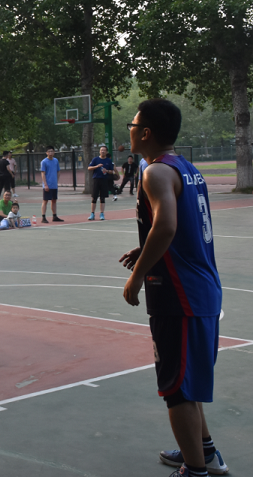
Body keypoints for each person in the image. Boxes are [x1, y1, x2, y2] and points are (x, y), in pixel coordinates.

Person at [119, 99, 227, 477]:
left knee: (176, 389)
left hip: (179, 295)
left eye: (133, 124)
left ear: (146, 132)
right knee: (188, 381)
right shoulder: (186, 168)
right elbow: (181, 227)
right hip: (201, 288)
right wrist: (146, 247)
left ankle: (194, 471)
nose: (130, 130)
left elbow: (166, 226)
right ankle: (204, 452)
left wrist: (137, 277)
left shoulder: (155, 172)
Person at [88, 145, 114, 220]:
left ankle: (102, 213)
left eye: (104, 150)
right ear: (99, 151)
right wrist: (96, 166)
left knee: (102, 198)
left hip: (104, 180)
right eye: (101, 150)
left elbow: (112, 171)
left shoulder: (108, 161)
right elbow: (89, 168)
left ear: (106, 152)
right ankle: (92, 213)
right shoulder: (95, 159)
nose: (102, 151)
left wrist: (107, 171)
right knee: (94, 197)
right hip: (96, 179)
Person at [40, 146, 64, 223]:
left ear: (54, 152)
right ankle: (43, 217)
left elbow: (58, 171)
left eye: (52, 151)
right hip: (48, 184)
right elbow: (43, 173)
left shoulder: (56, 161)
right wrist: (45, 184)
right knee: (45, 201)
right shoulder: (44, 162)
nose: (50, 153)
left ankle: (54, 216)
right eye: (49, 151)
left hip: (54, 185)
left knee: (54, 200)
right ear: (46, 153)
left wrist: (56, 181)